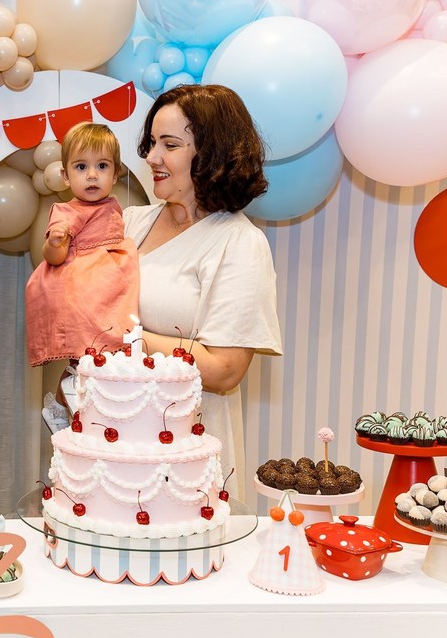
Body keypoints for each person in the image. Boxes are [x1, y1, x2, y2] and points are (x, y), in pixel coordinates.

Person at [124, 84, 282, 478]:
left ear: (211, 155)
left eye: (169, 145)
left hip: (186, 449)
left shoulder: (239, 243)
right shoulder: (130, 223)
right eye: (151, 143)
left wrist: (123, 338)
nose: (151, 157)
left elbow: (224, 369)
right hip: (115, 435)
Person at [25, 122, 139, 374]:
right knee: (82, 358)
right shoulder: (65, 211)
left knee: (111, 352)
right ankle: (61, 399)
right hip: (83, 288)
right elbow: (54, 259)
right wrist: (54, 242)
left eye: (102, 166)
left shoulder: (114, 205)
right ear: (65, 176)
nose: (92, 175)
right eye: (81, 167)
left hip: (110, 285)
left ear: (116, 172)